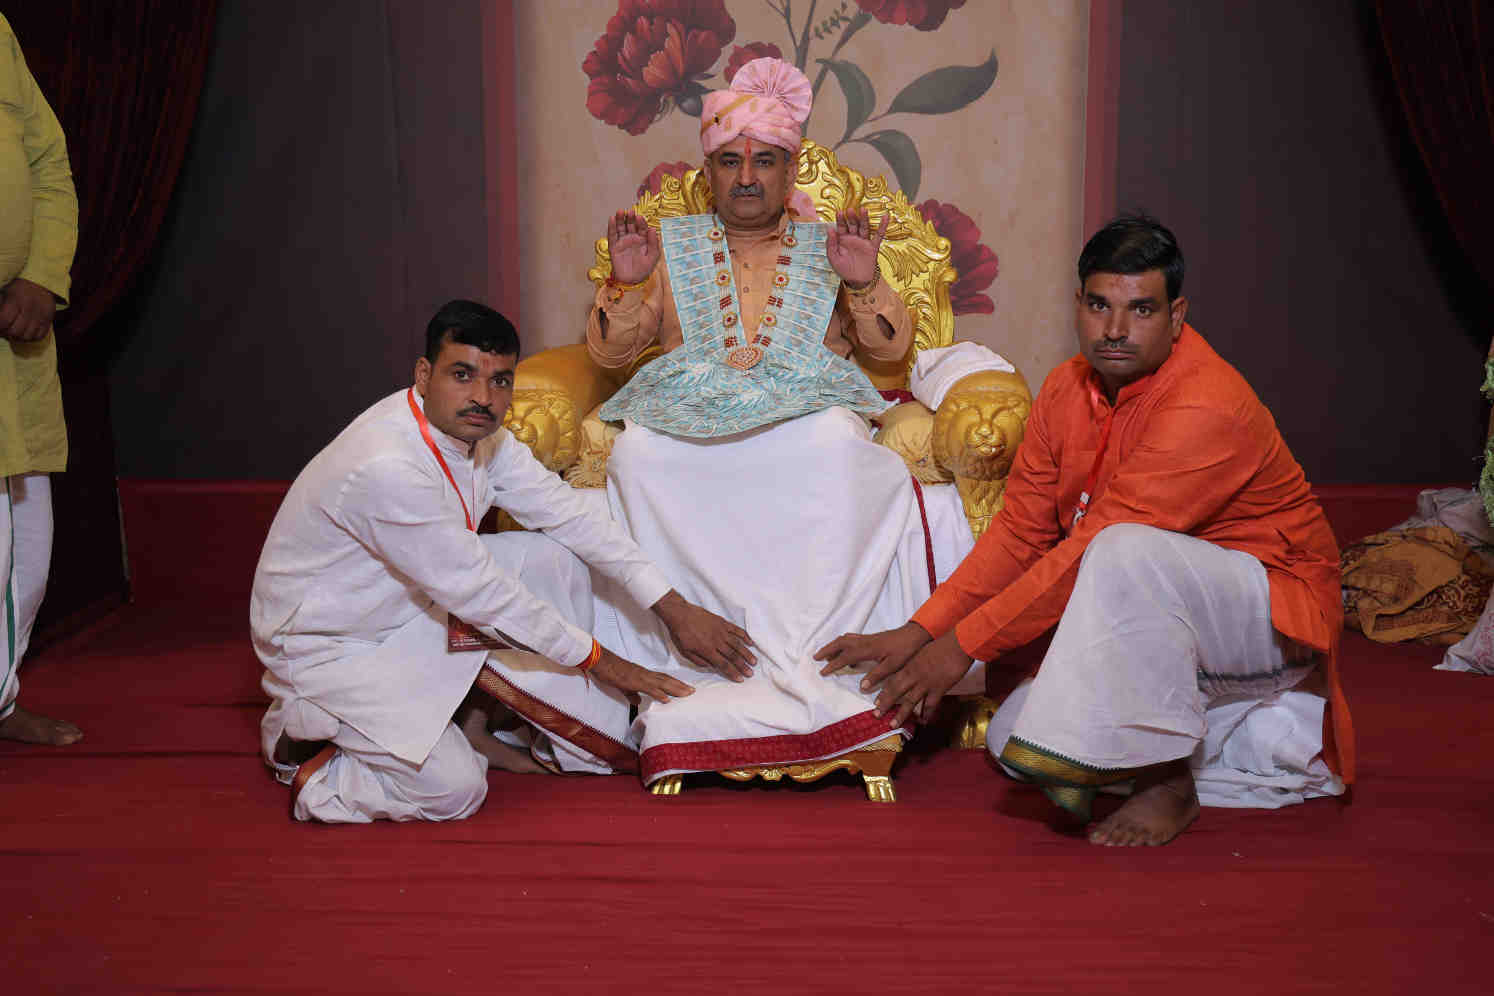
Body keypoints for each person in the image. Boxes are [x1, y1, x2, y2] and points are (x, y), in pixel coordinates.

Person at [817, 216, 1354, 845]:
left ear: (1177, 316)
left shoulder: (1206, 403)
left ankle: (1168, 780)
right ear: (1078, 305)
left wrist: (959, 649)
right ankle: (1201, 727)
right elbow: (1020, 536)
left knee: (1121, 547)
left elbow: (1089, 552)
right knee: (1015, 741)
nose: (1116, 329)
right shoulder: (1065, 389)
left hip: (1273, 615)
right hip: (1158, 614)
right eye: (1100, 305)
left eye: (1141, 309)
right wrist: (918, 632)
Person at [497, 57, 956, 786]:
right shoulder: (668, 247)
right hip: (685, 420)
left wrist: (864, 279)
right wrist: (627, 283)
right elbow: (610, 354)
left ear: (790, 169)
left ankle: (813, 659)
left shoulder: (831, 246)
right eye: (730, 161)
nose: (747, 177)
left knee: (840, 448)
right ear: (708, 170)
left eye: (764, 162)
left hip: (805, 417)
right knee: (639, 457)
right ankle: (692, 658)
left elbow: (890, 352)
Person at [251, 300, 746, 823]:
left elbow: (569, 516)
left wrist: (672, 606)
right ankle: (305, 749)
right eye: (462, 375)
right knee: (455, 791)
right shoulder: (386, 465)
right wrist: (608, 665)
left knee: (551, 557)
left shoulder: (484, 436)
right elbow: (483, 594)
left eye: (500, 381)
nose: (483, 398)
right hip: (333, 648)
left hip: (406, 608)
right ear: (424, 375)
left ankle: (472, 722)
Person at [0, 13, 83, 747]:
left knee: (26, 541)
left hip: (14, 337)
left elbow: (48, 163)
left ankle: (0, 695)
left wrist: (42, 275)